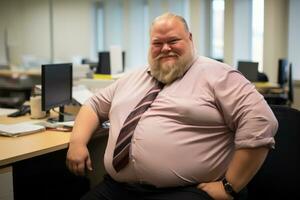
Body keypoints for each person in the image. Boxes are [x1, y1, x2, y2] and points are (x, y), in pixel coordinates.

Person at [66, 12, 278, 200]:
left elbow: (261, 121)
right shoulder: (132, 78)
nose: (165, 48)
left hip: (185, 191)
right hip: (119, 189)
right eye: (157, 43)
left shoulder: (219, 75)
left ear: (190, 39)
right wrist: (77, 142)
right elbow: (93, 105)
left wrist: (229, 187)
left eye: (173, 41)